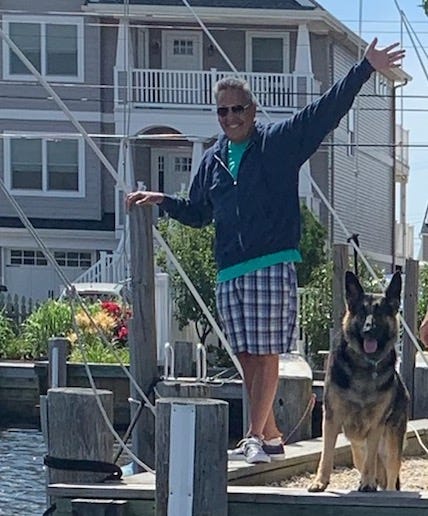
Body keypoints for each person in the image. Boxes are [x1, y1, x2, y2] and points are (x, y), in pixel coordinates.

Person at [127, 38, 405, 465]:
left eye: (238, 109)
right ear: (217, 115)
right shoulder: (213, 160)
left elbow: (324, 112)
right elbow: (200, 212)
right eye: (223, 111)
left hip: (272, 263)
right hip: (229, 271)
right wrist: (162, 199)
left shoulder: (277, 143)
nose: (231, 117)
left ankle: (253, 436)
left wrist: (364, 67)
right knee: (246, 358)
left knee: (265, 352)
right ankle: (272, 434)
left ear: (252, 112)